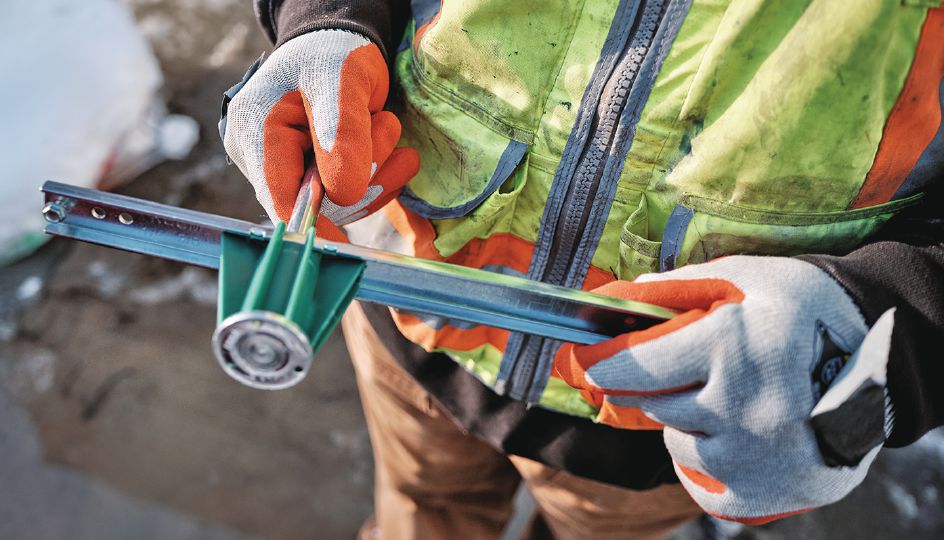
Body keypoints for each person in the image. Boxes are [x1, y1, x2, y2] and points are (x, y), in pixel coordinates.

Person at [220, 1, 944, 538]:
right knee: (421, 512)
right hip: (411, 307)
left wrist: (889, 324)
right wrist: (325, 22)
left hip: (668, 405)